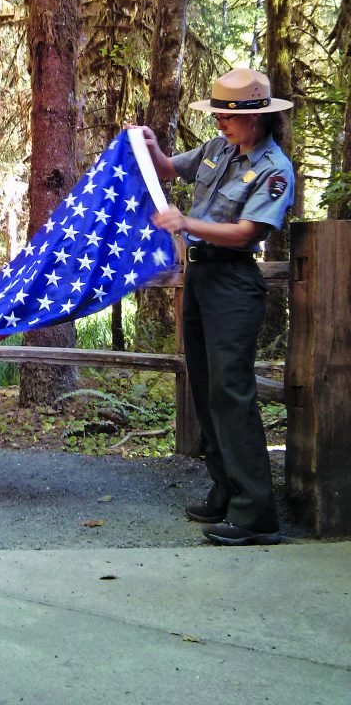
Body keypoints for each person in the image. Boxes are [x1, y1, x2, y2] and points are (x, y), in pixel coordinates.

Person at [137, 68, 294, 546]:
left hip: (233, 282)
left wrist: (186, 222)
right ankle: (225, 491)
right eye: (219, 113)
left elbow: (249, 233)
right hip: (201, 278)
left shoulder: (274, 169)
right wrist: (149, 144)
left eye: (228, 115)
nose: (221, 121)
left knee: (232, 391)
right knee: (206, 389)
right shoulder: (217, 149)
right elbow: (168, 168)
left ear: (258, 118)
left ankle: (256, 514)